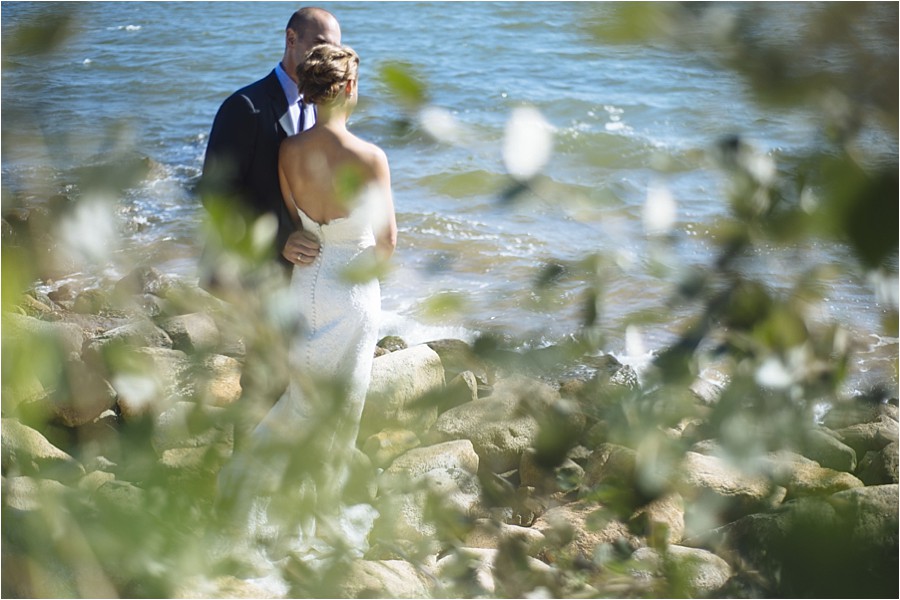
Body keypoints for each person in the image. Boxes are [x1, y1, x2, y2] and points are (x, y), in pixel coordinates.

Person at [220, 42, 397, 565]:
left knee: (301, 400)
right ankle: (313, 520)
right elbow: (386, 242)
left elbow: (296, 221)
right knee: (340, 412)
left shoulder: (288, 151)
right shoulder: (370, 158)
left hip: (306, 283)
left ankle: (275, 507)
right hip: (351, 292)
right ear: (348, 88)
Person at [199, 7, 342, 460]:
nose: (328, 56)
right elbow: (214, 195)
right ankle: (243, 479)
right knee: (265, 376)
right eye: (320, 45)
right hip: (258, 268)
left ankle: (280, 473)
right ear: (291, 40)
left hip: (308, 273)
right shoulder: (245, 108)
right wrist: (280, 238)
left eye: (335, 48)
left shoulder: (326, 112)